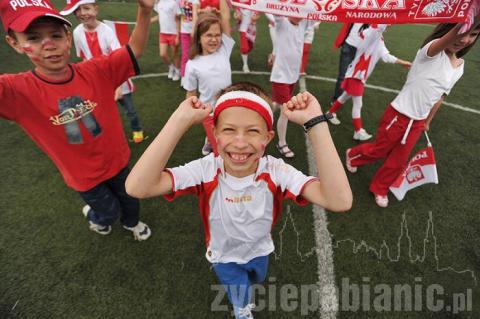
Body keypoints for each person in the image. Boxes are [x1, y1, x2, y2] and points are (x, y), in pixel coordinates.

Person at [125, 82, 352, 319]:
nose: (240, 142)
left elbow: (339, 201)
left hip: (260, 250)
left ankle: (243, 299)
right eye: (229, 130)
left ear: (268, 137)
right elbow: (138, 186)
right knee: (239, 291)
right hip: (224, 256)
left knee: (256, 279)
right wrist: (178, 120)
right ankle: (241, 309)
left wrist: (315, 123)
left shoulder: (277, 172)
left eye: (253, 131)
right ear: (215, 133)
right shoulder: (205, 171)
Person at [0, 0, 154, 240]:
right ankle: (96, 218)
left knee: (131, 199)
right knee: (108, 211)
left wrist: (145, 11)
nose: (49, 45)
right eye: (33, 38)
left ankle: (131, 224)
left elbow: (133, 49)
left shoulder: (96, 70)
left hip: (117, 161)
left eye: (55, 35)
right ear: (15, 44)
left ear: (68, 38)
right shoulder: (16, 91)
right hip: (84, 177)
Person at [345, 20, 480, 208]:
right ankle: (353, 154)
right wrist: (470, 15)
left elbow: (440, 97)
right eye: (462, 31)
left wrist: (427, 120)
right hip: (397, 114)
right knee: (380, 150)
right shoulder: (431, 51)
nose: (465, 39)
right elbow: (451, 37)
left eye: (473, 34)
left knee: (399, 160)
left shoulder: (459, 66)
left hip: (417, 122)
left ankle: (380, 188)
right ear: (449, 29)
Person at [60, 0, 146, 144]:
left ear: (96, 9)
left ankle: (137, 128)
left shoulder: (107, 30)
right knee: (100, 110)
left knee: (129, 108)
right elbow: (83, 58)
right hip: (95, 80)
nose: (82, 13)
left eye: (86, 8)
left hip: (117, 78)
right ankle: (106, 133)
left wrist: (118, 87)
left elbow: (119, 59)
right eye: (77, 10)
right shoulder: (77, 32)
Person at [327, 24, 411, 141]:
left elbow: (386, 56)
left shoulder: (378, 37)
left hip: (358, 75)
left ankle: (330, 113)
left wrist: (403, 63)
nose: (388, 27)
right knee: (358, 104)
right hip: (357, 75)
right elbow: (379, 27)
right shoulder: (371, 33)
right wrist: (387, 18)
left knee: (344, 96)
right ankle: (358, 131)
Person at [182, 0, 233, 155]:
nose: (214, 39)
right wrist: (188, 114)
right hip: (208, 112)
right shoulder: (192, 64)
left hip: (227, 106)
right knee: (220, 151)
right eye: (208, 35)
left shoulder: (224, 49)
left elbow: (225, 17)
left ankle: (209, 141)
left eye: (217, 35)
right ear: (198, 38)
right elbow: (191, 94)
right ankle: (210, 143)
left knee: (227, 138)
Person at [269, 15, 316, 158]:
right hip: (280, 77)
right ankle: (282, 143)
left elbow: (315, 13)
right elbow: (273, 9)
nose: (299, 15)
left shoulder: (303, 23)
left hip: (292, 76)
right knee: (286, 110)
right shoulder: (281, 21)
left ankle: (265, 111)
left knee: (278, 104)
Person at [331, 23, 362, 103]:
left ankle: (340, 99)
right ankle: (336, 100)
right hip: (349, 46)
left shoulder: (376, 13)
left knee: (356, 78)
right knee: (342, 76)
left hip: (362, 50)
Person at [151, 0, 181, 81]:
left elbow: (178, 19)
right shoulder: (159, 3)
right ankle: (171, 67)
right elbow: (159, 16)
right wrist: (148, 21)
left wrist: (178, 35)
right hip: (163, 33)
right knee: (162, 54)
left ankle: (177, 71)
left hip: (173, 33)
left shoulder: (173, 3)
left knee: (175, 55)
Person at [178, 0, 199, 81]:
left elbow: (195, 15)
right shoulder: (180, 1)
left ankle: (195, 76)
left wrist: (193, 30)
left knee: (196, 54)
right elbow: (180, 15)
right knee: (185, 55)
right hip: (184, 31)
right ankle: (184, 77)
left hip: (194, 32)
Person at [234, 7, 259, 73]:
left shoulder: (254, 3)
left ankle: (244, 54)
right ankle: (245, 65)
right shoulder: (239, 4)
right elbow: (236, 16)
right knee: (245, 48)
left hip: (251, 29)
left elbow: (258, 15)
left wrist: (255, 18)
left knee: (250, 47)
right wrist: (238, 17)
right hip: (243, 29)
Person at [298, 21, 320, 92]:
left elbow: (319, 10)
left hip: (310, 26)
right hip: (297, 25)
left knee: (305, 51)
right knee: (294, 49)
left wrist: (317, 23)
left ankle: (301, 74)